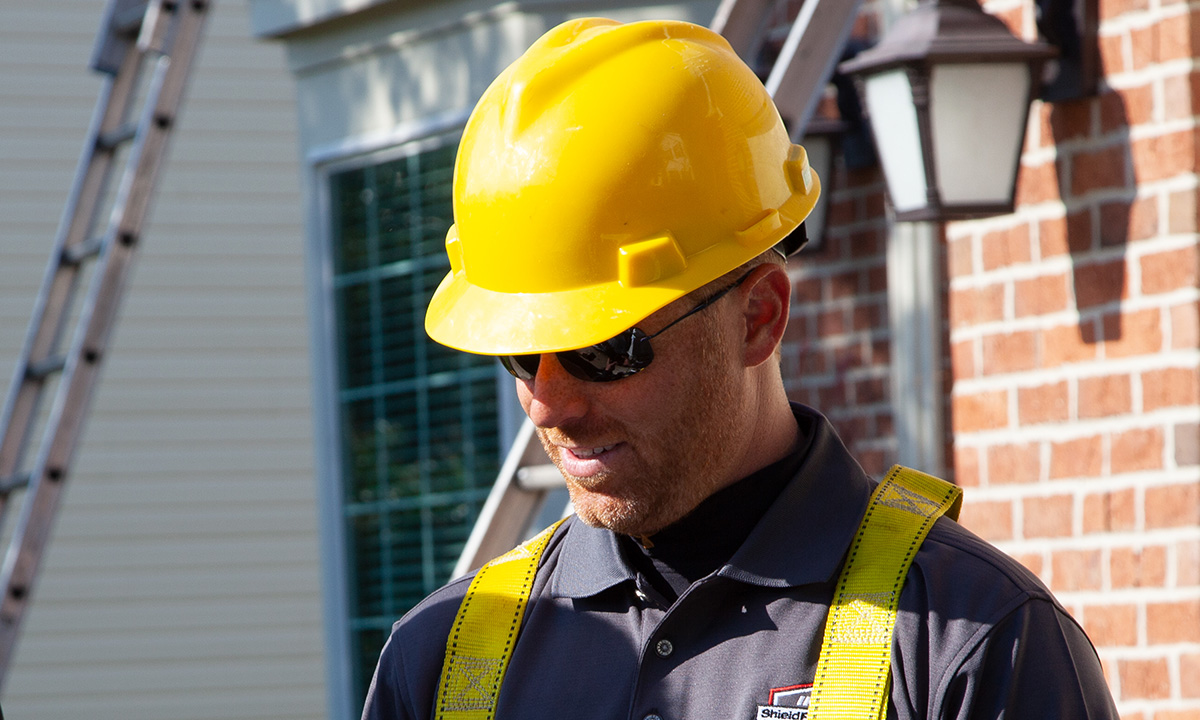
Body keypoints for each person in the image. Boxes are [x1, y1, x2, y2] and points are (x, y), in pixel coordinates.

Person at [362, 17, 1118, 720]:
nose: (548, 406)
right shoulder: (440, 661)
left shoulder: (974, 641)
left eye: (606, 348)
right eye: (522, 354)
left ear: (758, 316)